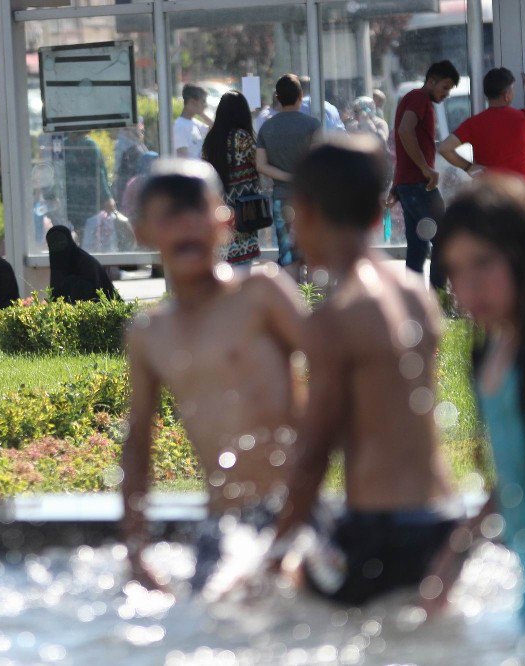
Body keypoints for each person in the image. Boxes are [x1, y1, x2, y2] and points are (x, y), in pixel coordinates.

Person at [264, 137, 458, 606]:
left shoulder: (337, 317)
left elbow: (316, 448)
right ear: (377, 215)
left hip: (382, 527)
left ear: (303, 212)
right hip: (441, 518)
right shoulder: (415, 293)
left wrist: (273, 550)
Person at [120, 159, 306, 592]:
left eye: (197, 213)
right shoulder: (151, 333)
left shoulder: (261, 293)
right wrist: (135, 549)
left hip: (294, 508)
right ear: (143, 232)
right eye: (170, 216)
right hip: (224, 520)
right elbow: (138, 442)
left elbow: (334, 368)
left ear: (224, 220)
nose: (187, 227)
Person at [426, 176, 525, 645]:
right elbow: (517, 478)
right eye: (456, 270)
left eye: (483, 263)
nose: (469, 287)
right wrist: (457, 552)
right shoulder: (498, 348)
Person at [390, 60, 460, 291]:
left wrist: (397, 183)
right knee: (443, 239)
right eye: (445, 87)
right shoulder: (418, 98)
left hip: (409, 183)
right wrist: (425, 168)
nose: (446, 93)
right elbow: (404, 131)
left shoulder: (413, 99)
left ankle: (414, 303)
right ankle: (438, 300)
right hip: (418, 185)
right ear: (431, 81)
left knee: (418, 247)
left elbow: (403, 140)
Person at [256, 74, 321, 279]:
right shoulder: (312, 125)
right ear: (300, 96)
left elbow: (261, 165)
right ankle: (313, 304)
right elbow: (320, 160)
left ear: (277, 97)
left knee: (287, 254)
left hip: (281, 197)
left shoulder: (267, 127)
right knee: (313, 253)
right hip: (309, 197)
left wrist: (286, 176)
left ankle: (292, 304)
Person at [439, 67, 525, 179]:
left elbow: (444, 148)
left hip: (489, 193)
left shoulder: (474, 123)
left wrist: (470, 167)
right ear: (506, 95)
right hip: (518, 193)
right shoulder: (523, 118)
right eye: (513, 89)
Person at [202, 90, 262, 274]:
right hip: (244, 208)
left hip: (220, 208)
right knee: (242, 265)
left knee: (223, 259)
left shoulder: (211, 139)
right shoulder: (242, 137)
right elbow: (258, 163)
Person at [63, 131, 116, 240]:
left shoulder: (64, 145)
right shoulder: (89, 146)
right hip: (89, 205)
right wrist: (107, 198)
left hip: (70, 204)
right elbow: (99, 174)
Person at [46, 225, 119, 302]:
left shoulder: (84, 262)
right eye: (53, 242)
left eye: (61, 241)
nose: (57, 245)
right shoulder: (57, 261)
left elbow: (95, 293)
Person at [174, 84, 212, 160]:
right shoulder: (179, 126)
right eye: (203, 101)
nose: (205, 105)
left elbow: (217, 129)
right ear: (192, 102)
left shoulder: (196, 123)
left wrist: (202, 114)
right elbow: (183, 158)